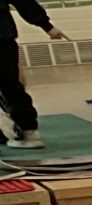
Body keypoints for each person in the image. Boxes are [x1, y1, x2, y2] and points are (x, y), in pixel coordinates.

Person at [0, 0, 63, 149]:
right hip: (3, 37)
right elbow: (25, 3)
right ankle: (30, 132)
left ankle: (27, 131)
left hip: (3, 35)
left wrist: (45, 24)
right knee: (10, 86)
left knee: (10, 86)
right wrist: (47, 26)